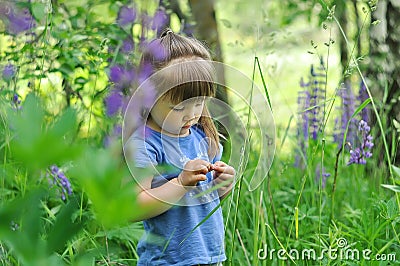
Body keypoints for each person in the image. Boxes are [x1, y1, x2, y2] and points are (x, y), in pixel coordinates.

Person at [124, 29, 235, 266]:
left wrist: (222, 185)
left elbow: (207, 200)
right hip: (168, 260)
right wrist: (181, 183)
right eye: (178, 107)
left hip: (210, 256)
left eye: (199, 103)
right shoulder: (145, 144)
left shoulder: (201, 138)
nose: (192, 115)